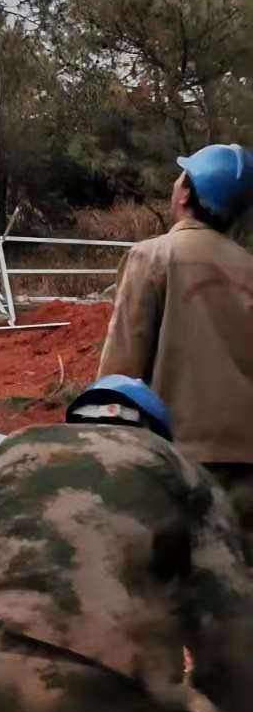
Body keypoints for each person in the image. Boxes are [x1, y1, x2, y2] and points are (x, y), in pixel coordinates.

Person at [0, 375, 253, 712]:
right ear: (152, 430)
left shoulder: (11, 453)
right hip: (108, 691)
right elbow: (231, 626)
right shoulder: (176, 466)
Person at [100, 143, 253, 556]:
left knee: (167, 591)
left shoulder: (153, 257)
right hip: (247, 473)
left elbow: (121, 371)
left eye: (181, 175)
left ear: (186, 193)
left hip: (173, 462)